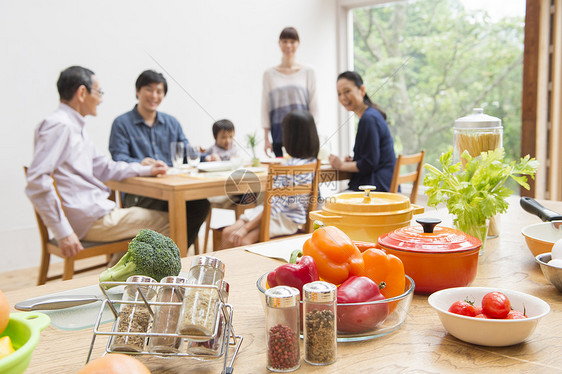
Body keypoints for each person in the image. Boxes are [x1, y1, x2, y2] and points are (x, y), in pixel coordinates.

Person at [25, 66, 170, 258]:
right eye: (99, 92)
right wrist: (63, 232)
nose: (101, 99)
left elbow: (104, 167)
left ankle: (116, 278)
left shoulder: (74, 127)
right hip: (91, 219)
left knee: (157, 222)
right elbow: (37, 181)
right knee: (174, 222)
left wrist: (146, 169)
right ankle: (118, 279)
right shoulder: (60, 126)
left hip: (93, 214)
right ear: (82, 93)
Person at [109, 70, 210, 249]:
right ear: (137, 91)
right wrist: (140, 163)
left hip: (172, 188)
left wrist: (207, 157)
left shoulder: (172, 123)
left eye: (159, 91)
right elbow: (118, 158)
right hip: (140, 193)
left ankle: (172, 255)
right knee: (188, 206)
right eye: (149, 89)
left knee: (200, 204)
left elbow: (186, 152)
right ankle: (167, 255)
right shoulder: (122, 123)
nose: (154, 96)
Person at [221, 110, 319, 248]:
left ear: (290, 137)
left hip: (281, 218)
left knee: (234, 237)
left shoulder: (288, 167)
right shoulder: (312, 163)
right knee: (231, 234)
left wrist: (246, 228)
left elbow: (273, 206)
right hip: (285, 218)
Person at [329, 71, 396, 192]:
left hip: (376, 188)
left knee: (329, 204)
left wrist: (341, 165)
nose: (343, 97)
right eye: (339, 94)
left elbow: (369, 164)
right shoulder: (372, 115)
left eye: (347, 91)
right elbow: (372, 158)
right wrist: (355, 161)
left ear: (362, 90)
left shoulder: (368, 119)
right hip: (383, 185)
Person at [262, 27, 318, 158]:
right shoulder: (269, 74)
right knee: (281, 175)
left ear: (298, 43)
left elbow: (314, 105)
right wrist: (266, 138)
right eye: (285, 41)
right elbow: (265, 106)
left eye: (292, 41)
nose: (288, 45)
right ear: (279, 43)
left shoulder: (309, 71)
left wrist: (313, 135)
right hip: (278, 134)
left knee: (304, 174)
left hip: (303, 133)